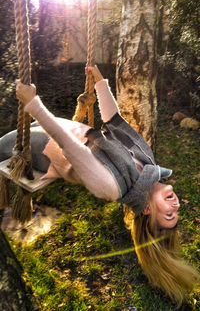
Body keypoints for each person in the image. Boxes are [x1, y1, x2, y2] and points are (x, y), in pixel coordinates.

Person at [0, 66, 199, 304]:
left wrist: (32, 103)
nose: (176, 205)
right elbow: (115, 123)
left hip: (46, 146)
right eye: (177, 212)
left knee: (4, 144)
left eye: (168, 215)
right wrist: (101, 83)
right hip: (69, 130)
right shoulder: (147, 164)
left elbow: (70, 147)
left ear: (147, 210)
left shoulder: (112, 188)